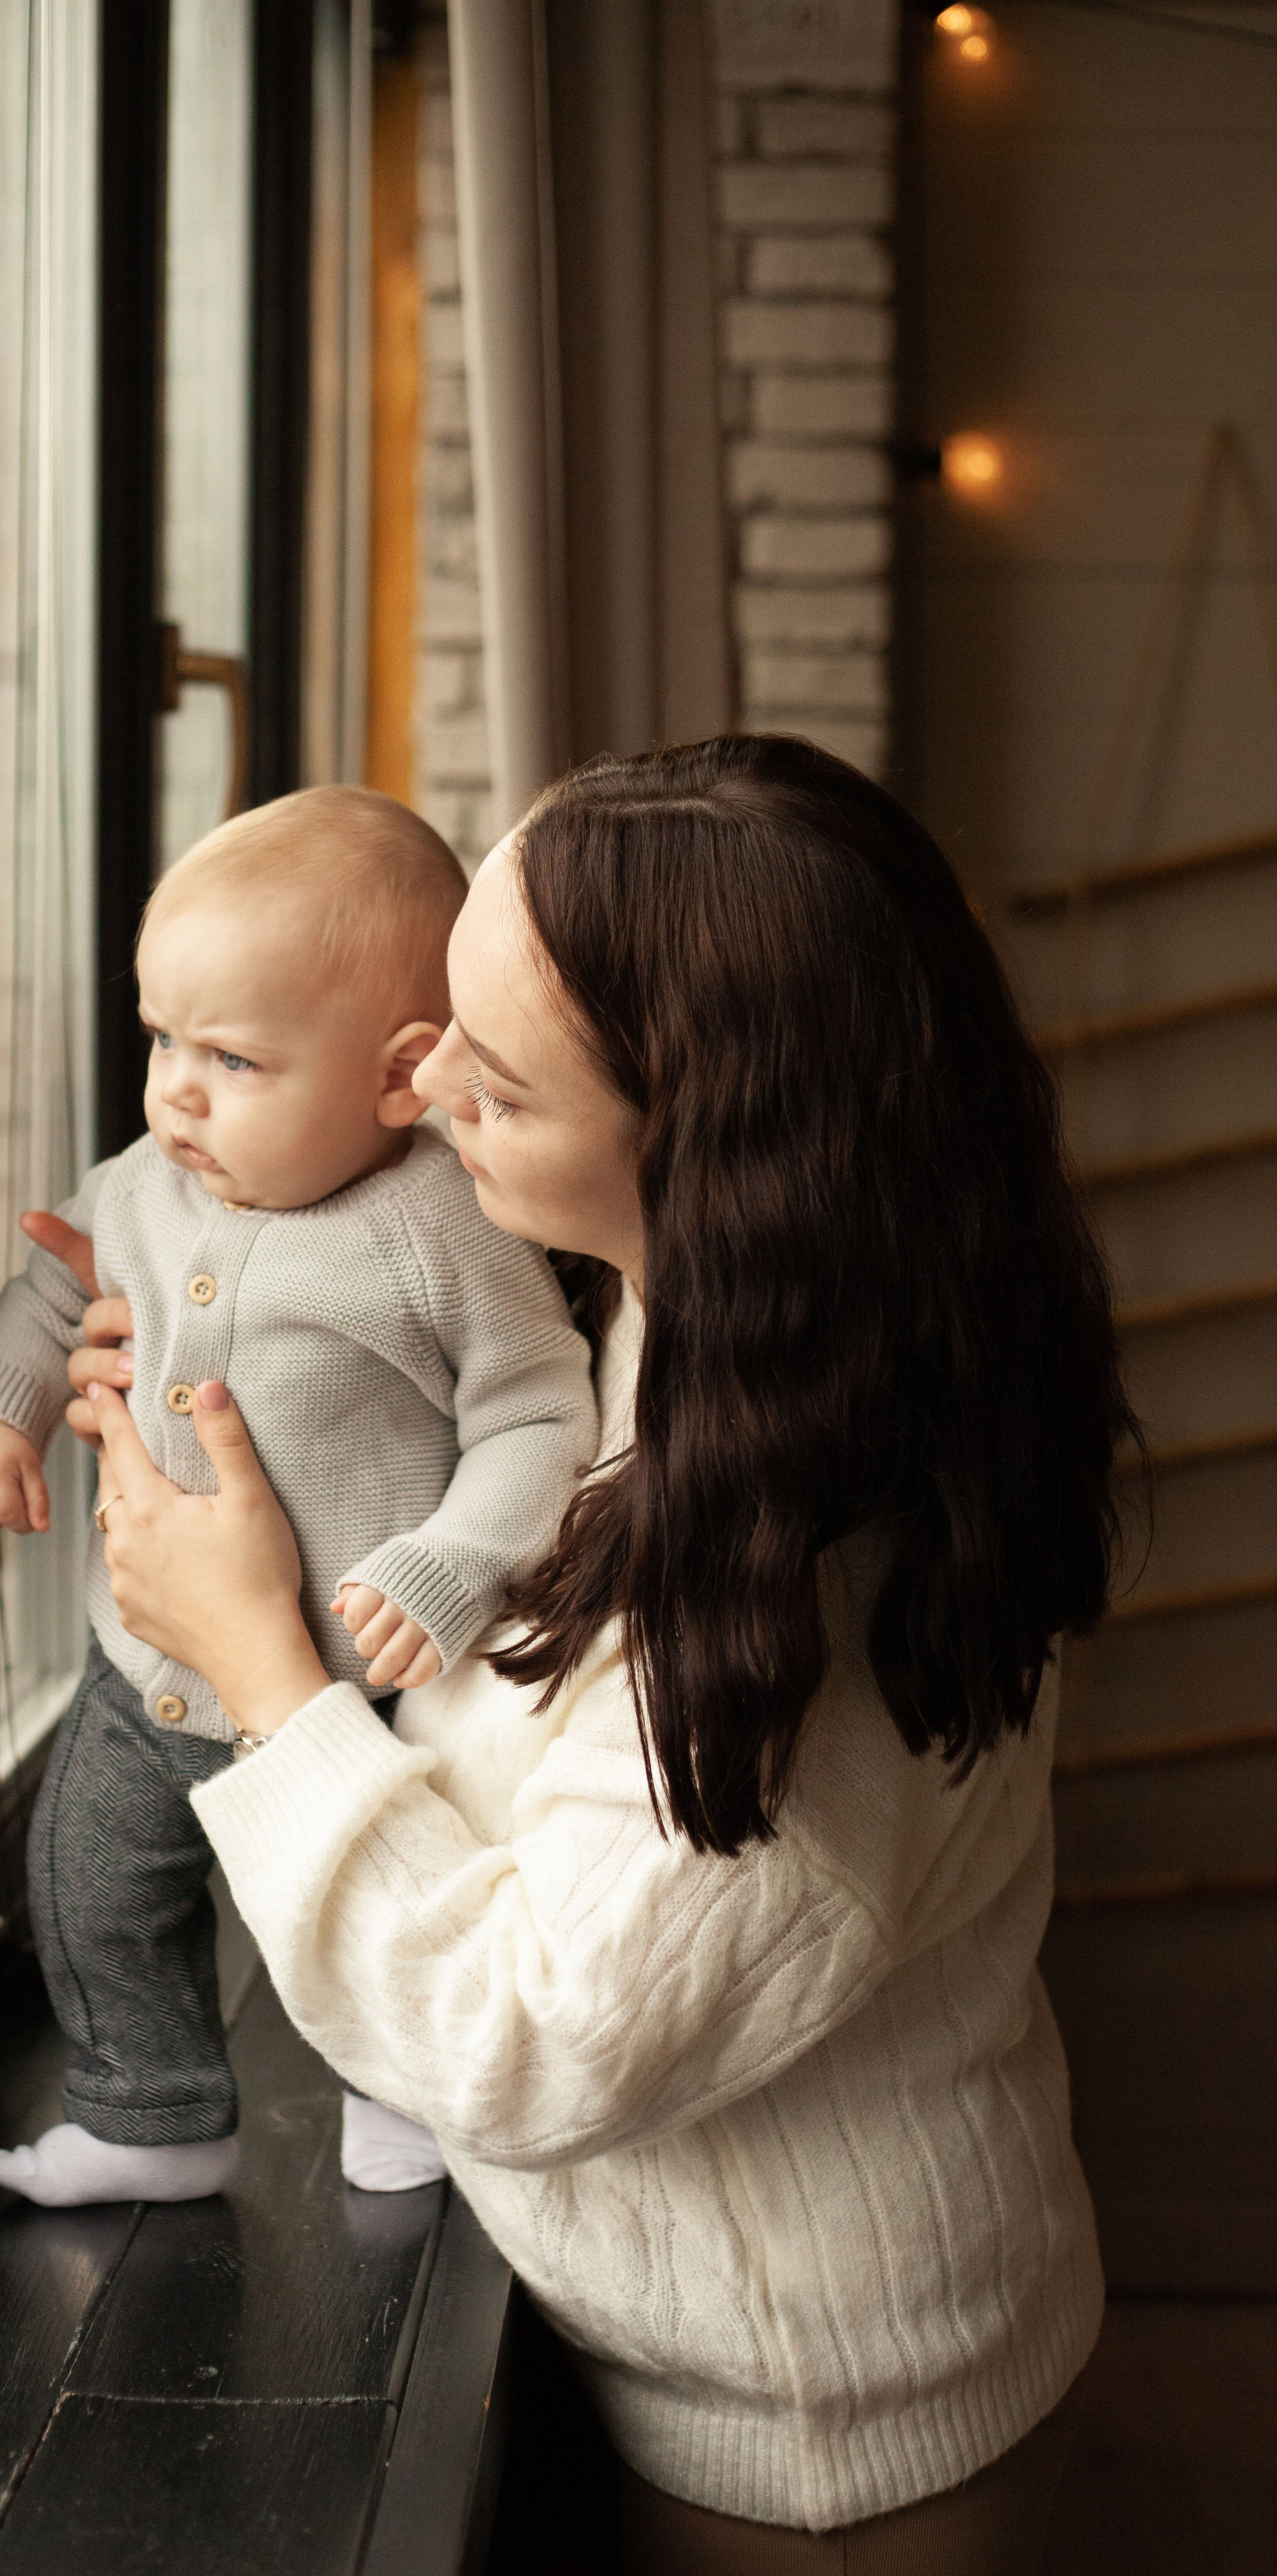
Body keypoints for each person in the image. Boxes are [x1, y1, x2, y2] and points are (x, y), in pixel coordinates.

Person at [62, 737, 1135, 2571]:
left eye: (495, 1076)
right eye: (438, 1008)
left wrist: (258, 1664)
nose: (418, 1079)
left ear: (706, 1146)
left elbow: (532, 2035)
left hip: (816, 2439)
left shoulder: (799, 1591)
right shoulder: (750, 1326)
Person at [0, 786, 597, 2208]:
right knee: (92, 1887)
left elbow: (539, 1411)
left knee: (343, 1896)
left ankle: (402, 2104)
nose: (175, 1087)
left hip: (344, 1683)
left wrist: (446, 1562)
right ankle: (149, 2114)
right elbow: (52, 1294)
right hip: (140, 1662)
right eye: (161, 1038)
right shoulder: (143, 1188)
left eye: (230, 1056)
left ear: (395, 1075)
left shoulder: (438, 1228)